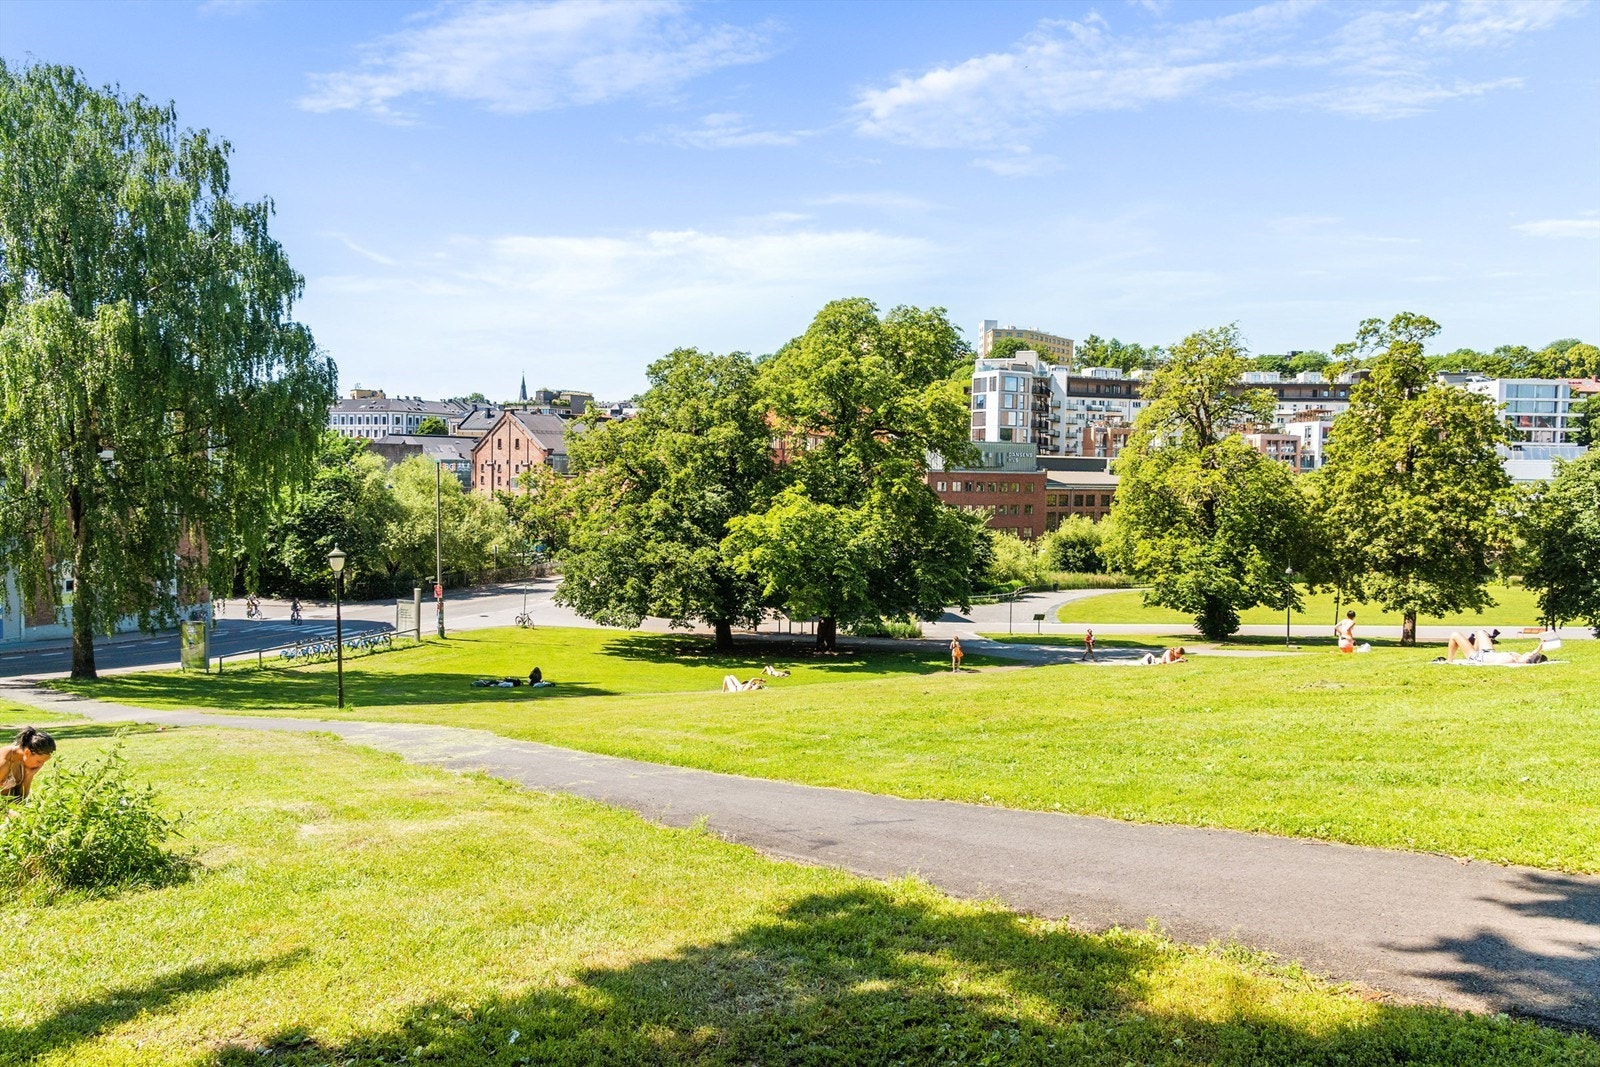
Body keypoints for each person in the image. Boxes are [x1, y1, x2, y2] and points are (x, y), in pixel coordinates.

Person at [1, 727, 56, 801]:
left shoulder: (24, 761)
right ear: (27, 752)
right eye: (39, 761)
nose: (40, 765)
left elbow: (21, 798)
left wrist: (29, 775)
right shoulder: (4, 763)